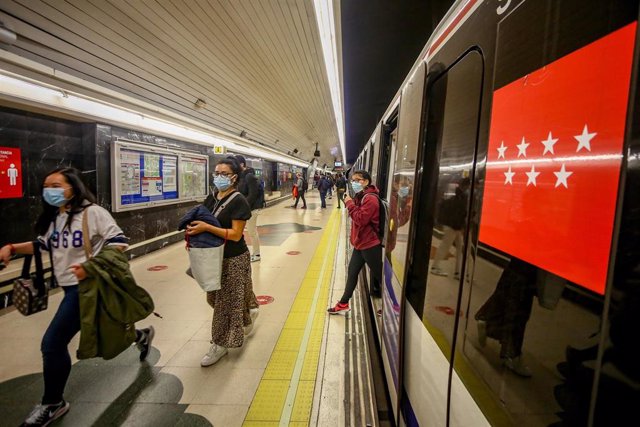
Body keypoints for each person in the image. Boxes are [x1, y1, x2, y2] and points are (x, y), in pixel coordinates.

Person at [0, 167, 154, 427]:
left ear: (73, 187)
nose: (51, 190)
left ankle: (53, 403)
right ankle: (140, 335)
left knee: (52, 343)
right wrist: (12, 247)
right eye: (47, 185)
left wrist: (89, 268)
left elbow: (119, 241)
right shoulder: (56, 217)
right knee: (108, 325)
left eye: (57, 185)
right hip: (70, 288)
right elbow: (43, 245)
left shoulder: (92, 213)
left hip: (88, 287)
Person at [186, 158, 259, 367]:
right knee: (214, 298)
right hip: (213, 257)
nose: (218, 177)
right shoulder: (212, 198)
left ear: (234, 177)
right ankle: (247, 314)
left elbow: (236, 235)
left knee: (224, 305)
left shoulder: (238, 201)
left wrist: (206, 229)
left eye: (224, 174)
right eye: (216, 173)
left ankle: (220, 343)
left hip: (234, 258)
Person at [328, 170, 382, 314]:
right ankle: (343, 303)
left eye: (357, 180)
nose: (354, 183)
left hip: (370, 244)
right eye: (353, 180)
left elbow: (361, 219)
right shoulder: (361, 196)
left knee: (380, 276)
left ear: (366, 181)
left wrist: (349, 203)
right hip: (361, 243)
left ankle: (393, 306)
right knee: (352, 272)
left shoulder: (370, 199)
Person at [475, 258, 536, 377]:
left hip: (517, 263)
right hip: (528, 267)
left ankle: (487, 319)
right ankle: (513, 356)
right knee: (519, 310)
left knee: (505, 296)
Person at [430, 177, 471, 279]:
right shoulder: (461, 196)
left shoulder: (457, 194)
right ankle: (435, 267)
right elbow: (459, 212)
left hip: (454, 225)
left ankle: (458, 272)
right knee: (446, 246)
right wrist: (460, 226)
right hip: (453, 226)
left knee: (457, 248)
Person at [233, 155, 262, 263]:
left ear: (241, 164)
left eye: (236, 165)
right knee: (240, 231)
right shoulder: (241, 177)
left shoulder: (249, 176)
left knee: (252, 231)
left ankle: (257, 254)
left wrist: (243, 206)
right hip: (245, 208)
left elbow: (252, 195)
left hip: (252, 209)